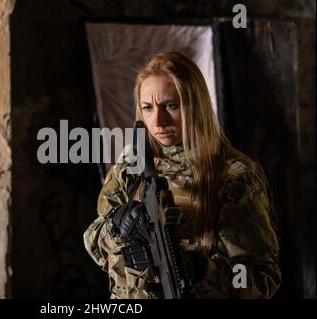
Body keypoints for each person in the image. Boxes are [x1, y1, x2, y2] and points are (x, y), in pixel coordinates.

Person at [83, 52, 281, 299]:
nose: (158, 120)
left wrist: (200, 270)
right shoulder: (130, 165)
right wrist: (116, 227)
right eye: (147, 108)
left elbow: (261, 279)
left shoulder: (234, 176)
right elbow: (94, 245)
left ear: (195, 105)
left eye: (170, 105)